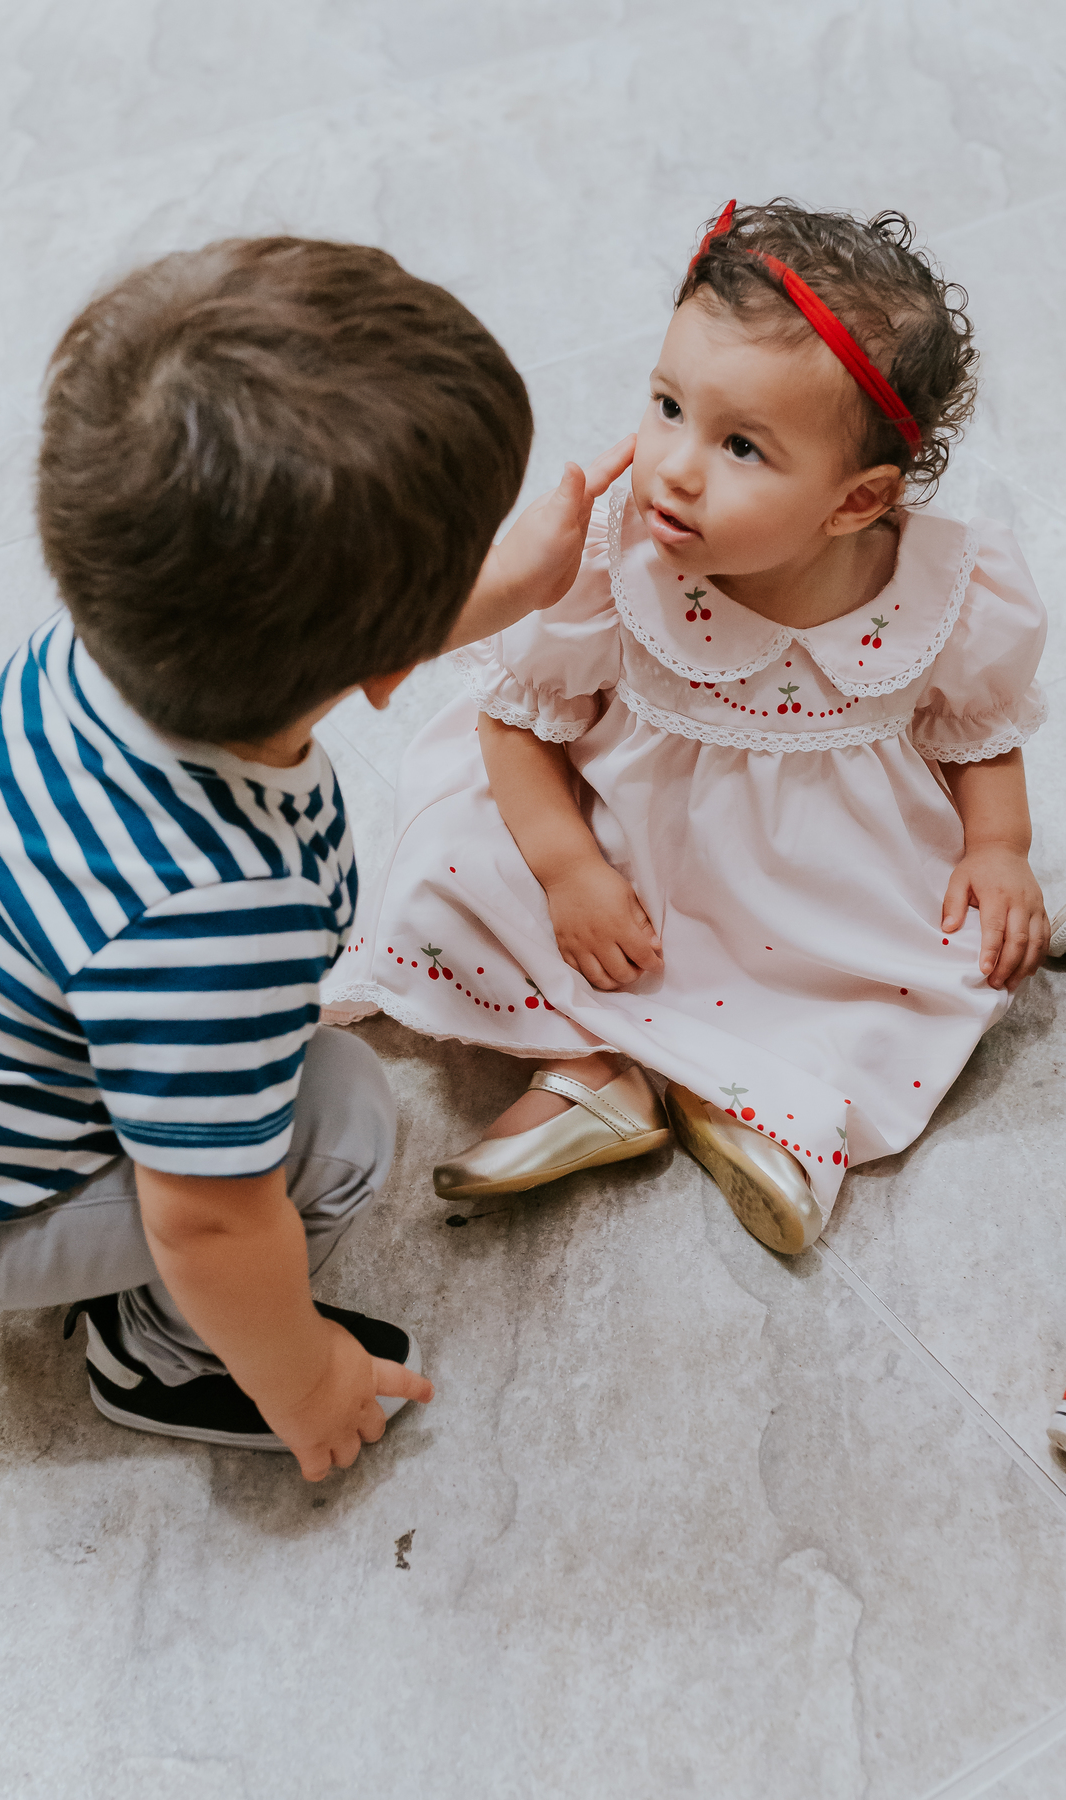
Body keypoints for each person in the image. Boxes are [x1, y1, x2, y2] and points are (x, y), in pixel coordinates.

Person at [0, 235, 633, 1479]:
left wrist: (503, 588)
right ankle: (159, 1359)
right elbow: (213, 1222)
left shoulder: (116, 636)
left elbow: (333, 627)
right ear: (386, 663)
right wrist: (308, 1377)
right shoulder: (218, 907)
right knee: (342, 1123)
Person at [325, 199, 1050, 1256]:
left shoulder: (944, 585)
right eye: (668, 404)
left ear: (857, 503)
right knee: (459, 868)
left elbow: (977, 725)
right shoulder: (615, 560)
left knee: (929, 964)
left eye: (742, 445)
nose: (676, 464)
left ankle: (745, 1101)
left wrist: (999, 846)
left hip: (810, 882)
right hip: (620, 837)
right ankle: (600, 1070)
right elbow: (518, 724)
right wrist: (569, 869)